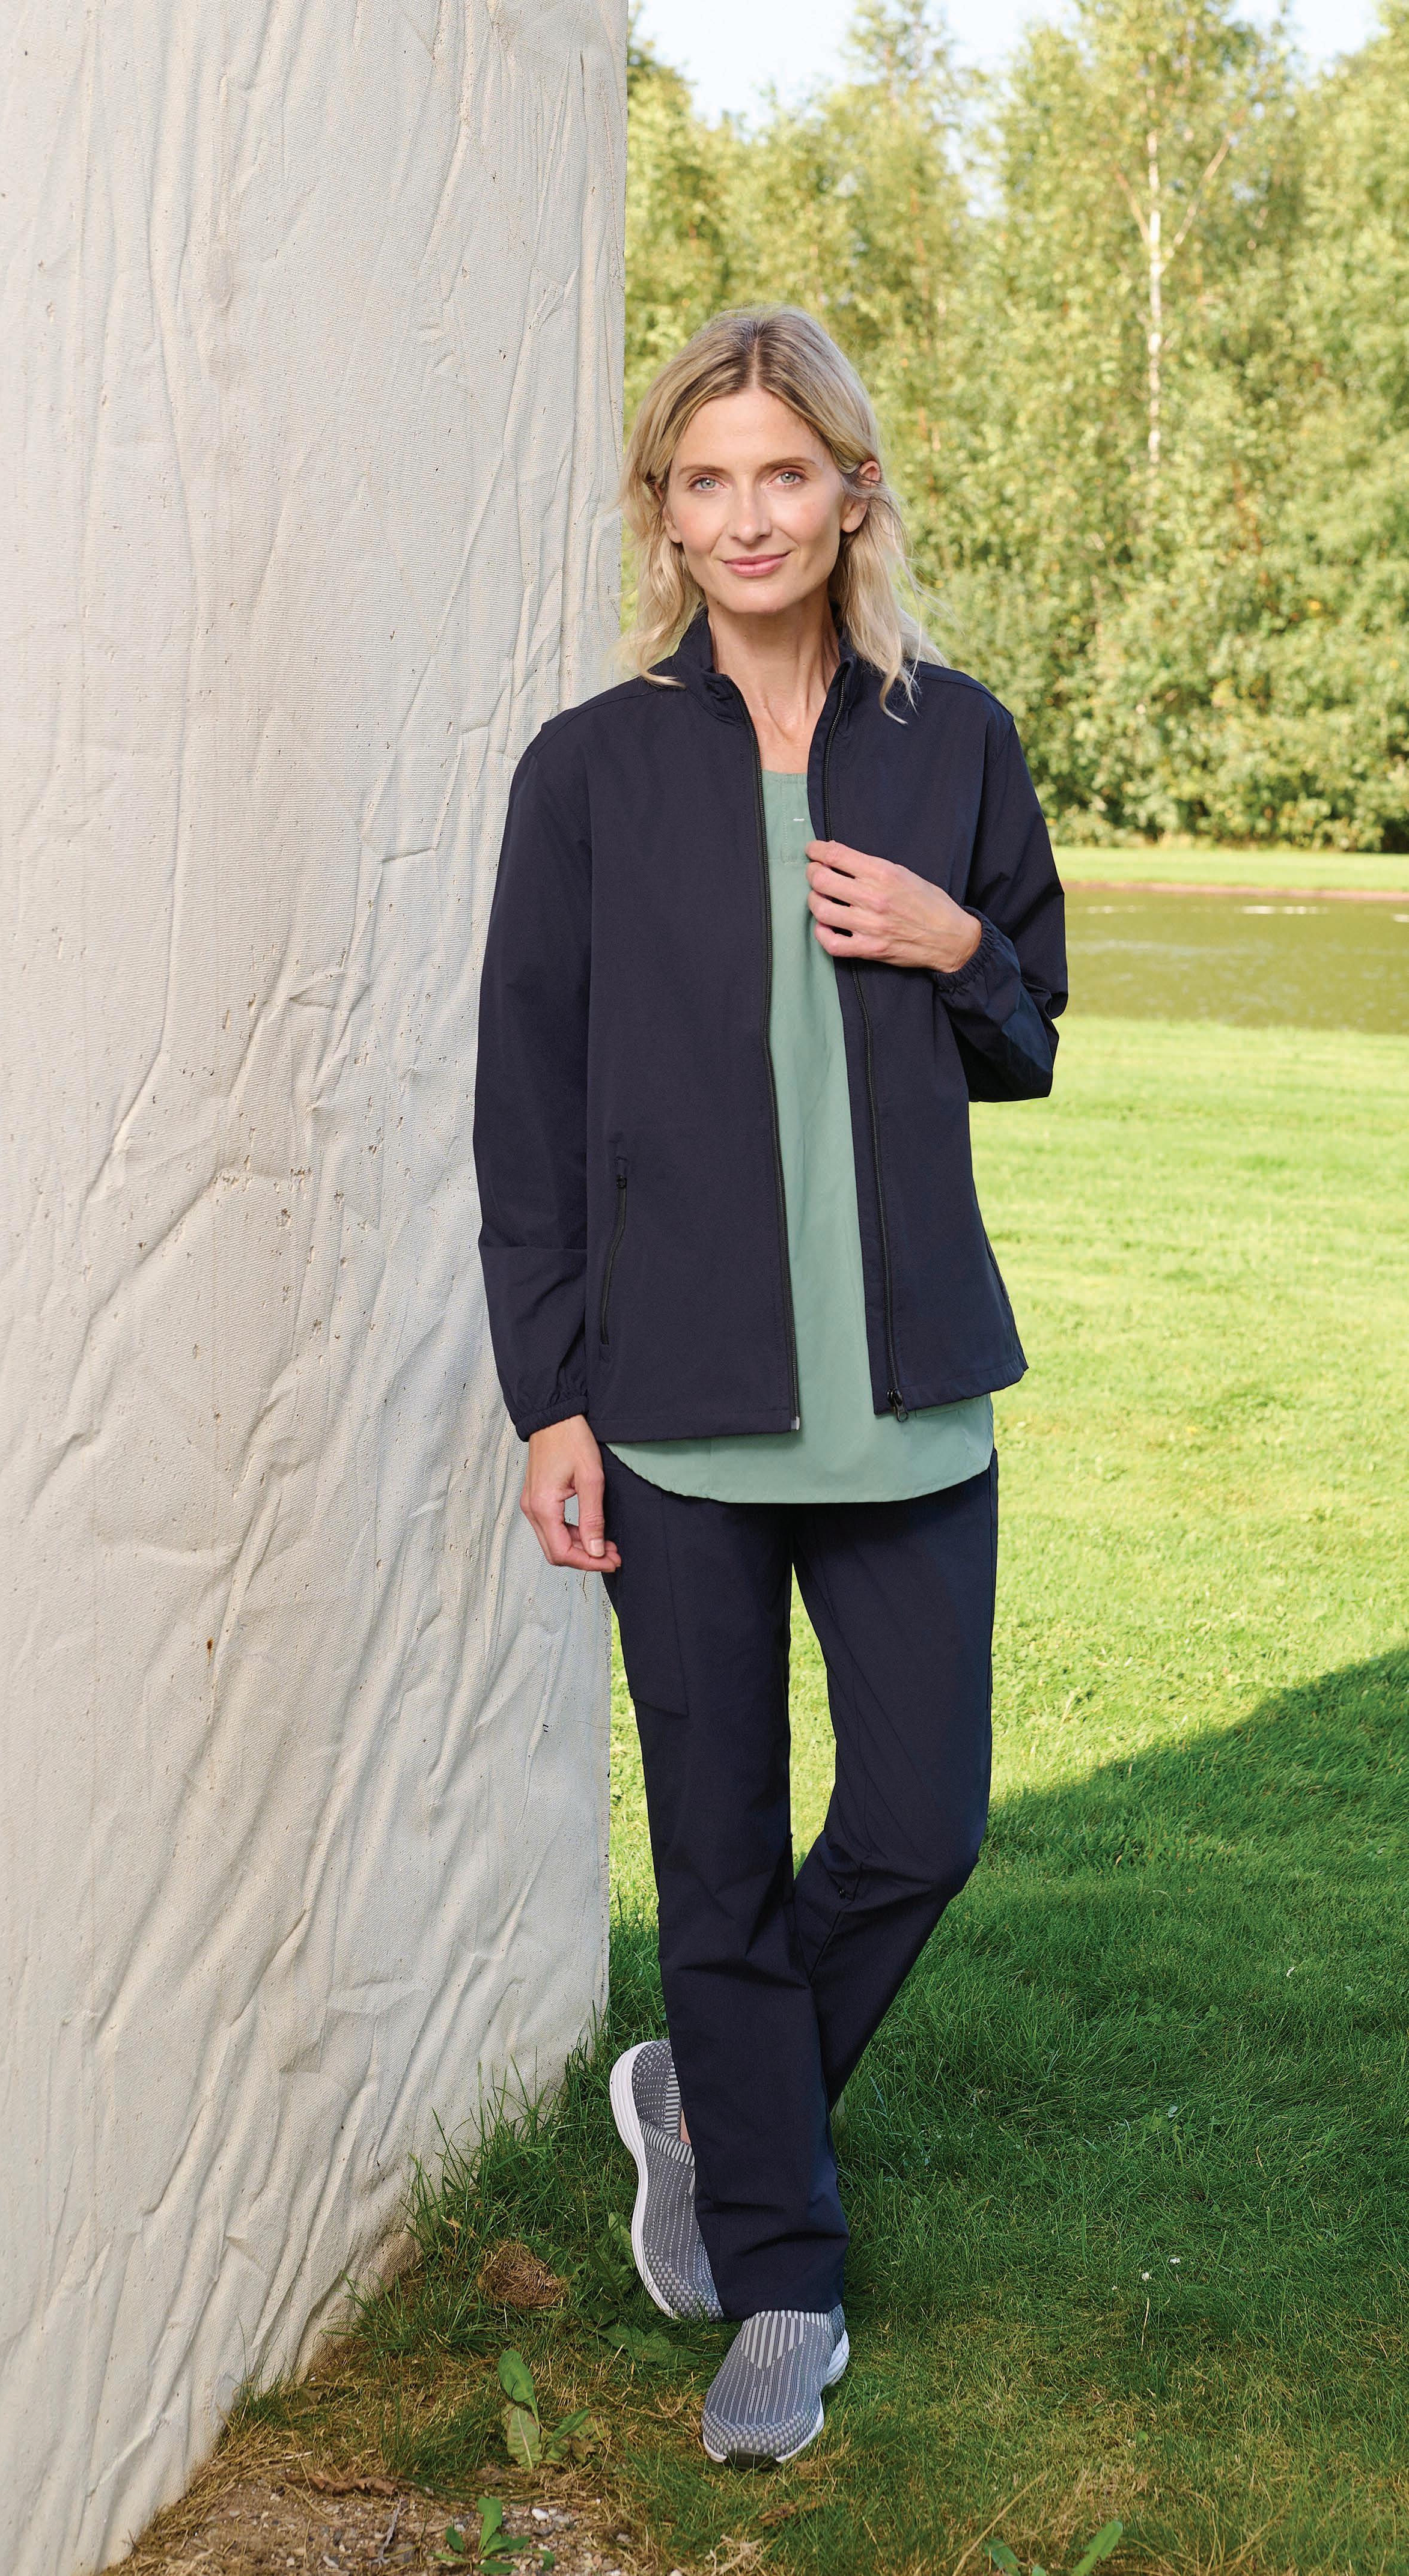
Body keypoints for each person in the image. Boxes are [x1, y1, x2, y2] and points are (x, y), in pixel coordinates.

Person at [472, 306, 1067, 2466]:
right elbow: (523, 1108)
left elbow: (1031, 1029)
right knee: (712, 1866)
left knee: (918, 1826)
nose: (746, 518)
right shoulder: (589, 769)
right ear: (665, 513)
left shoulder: (952, 739)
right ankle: (779, 2285)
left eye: (782, 475)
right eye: (705, 481)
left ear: (848, 493)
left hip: (904, 1398)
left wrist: (950, 942)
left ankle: (704, 2100)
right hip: (676, 1412)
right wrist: (548, 1397)